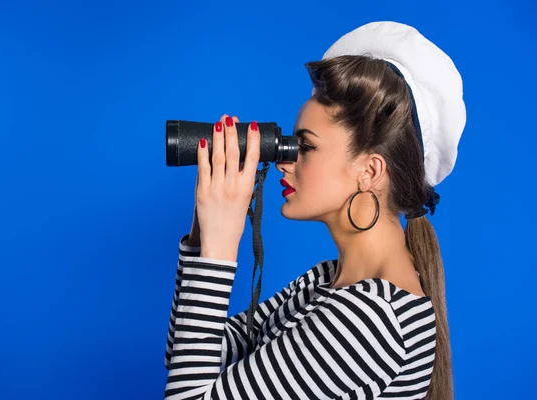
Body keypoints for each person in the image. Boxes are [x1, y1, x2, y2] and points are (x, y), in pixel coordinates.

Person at [163, 21, 466, 400]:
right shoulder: (327, 281)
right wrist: (204, 229)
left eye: (305, 147)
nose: (283, 162)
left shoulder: (370, 320)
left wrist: (221, 249)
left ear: (369, 171)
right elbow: (188, 355)